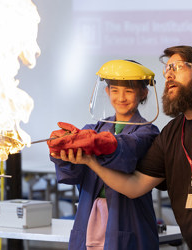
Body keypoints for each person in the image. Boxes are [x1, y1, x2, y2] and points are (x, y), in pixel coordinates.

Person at [54, 46, 192, 250]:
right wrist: (90, 162)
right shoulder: (171, 132)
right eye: (166, 69)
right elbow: (135, 186)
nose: (168, 74)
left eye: (177, 67)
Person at [48, 60, 160, 250]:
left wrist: (102, 145)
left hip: (129, 219)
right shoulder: (92, 130)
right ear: (107, 92)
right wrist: (60, 151)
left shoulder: (148, 133)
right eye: (115, 90)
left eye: (129, 91)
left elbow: (128, 149)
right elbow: (72, 174)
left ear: (143, 93)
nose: (121, 97)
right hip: (89, 217)